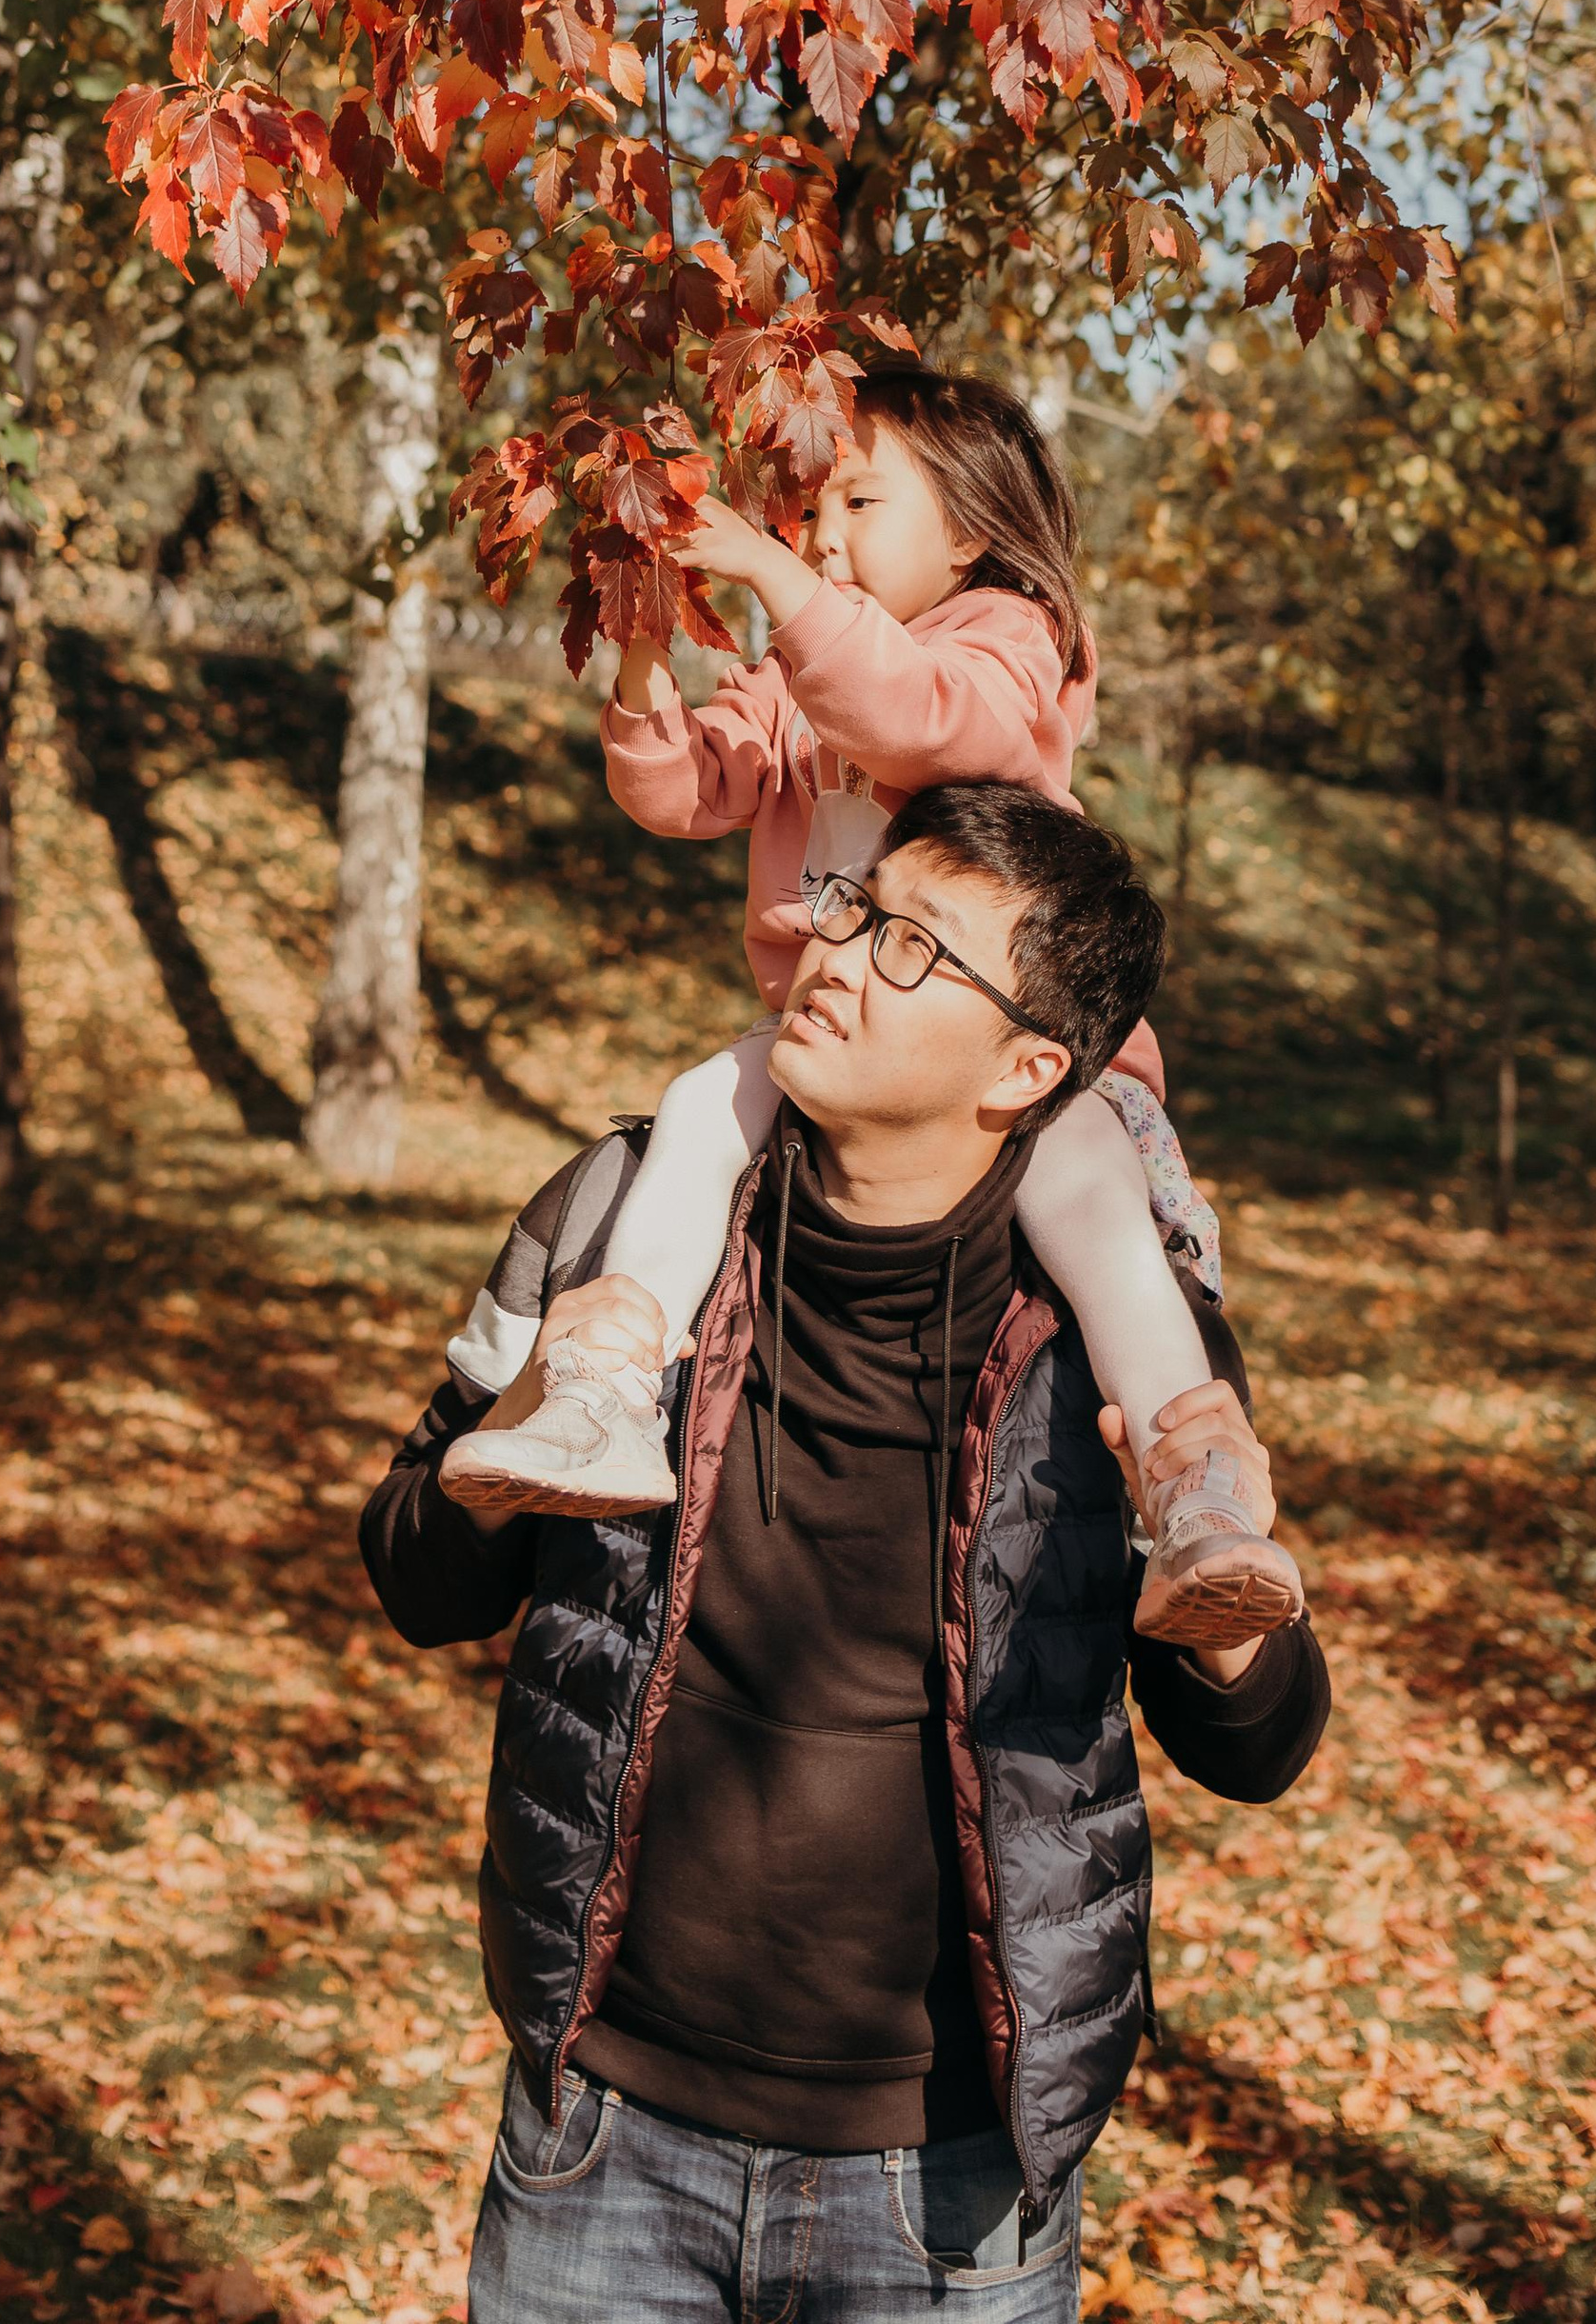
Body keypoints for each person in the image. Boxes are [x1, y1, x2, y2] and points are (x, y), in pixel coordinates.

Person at [362, 779, 1330, 2324]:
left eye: (909, 947)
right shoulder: (624, 1221)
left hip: (943, 2196)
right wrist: (533, 1421)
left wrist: (1220, 1608)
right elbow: (416, 1573)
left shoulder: (1113, 1336)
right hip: (602, 2136)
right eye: (859, 907)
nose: (835, 950)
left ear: (1028, 1067)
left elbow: (1263, 1737)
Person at [436, 365, 1299, 1646]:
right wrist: (638, 640)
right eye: (806, 513)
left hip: (1016, 1051)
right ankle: (610, 1383)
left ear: (965, 533)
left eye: (857, 501)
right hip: (827, 1039)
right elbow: (684, 791)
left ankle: (1193, 1485)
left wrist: (781, 587)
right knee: (692, 1113)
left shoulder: (1004, 644)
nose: (820, 535)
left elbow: (928, 728)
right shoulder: (794, 669)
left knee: (1103, 1215)